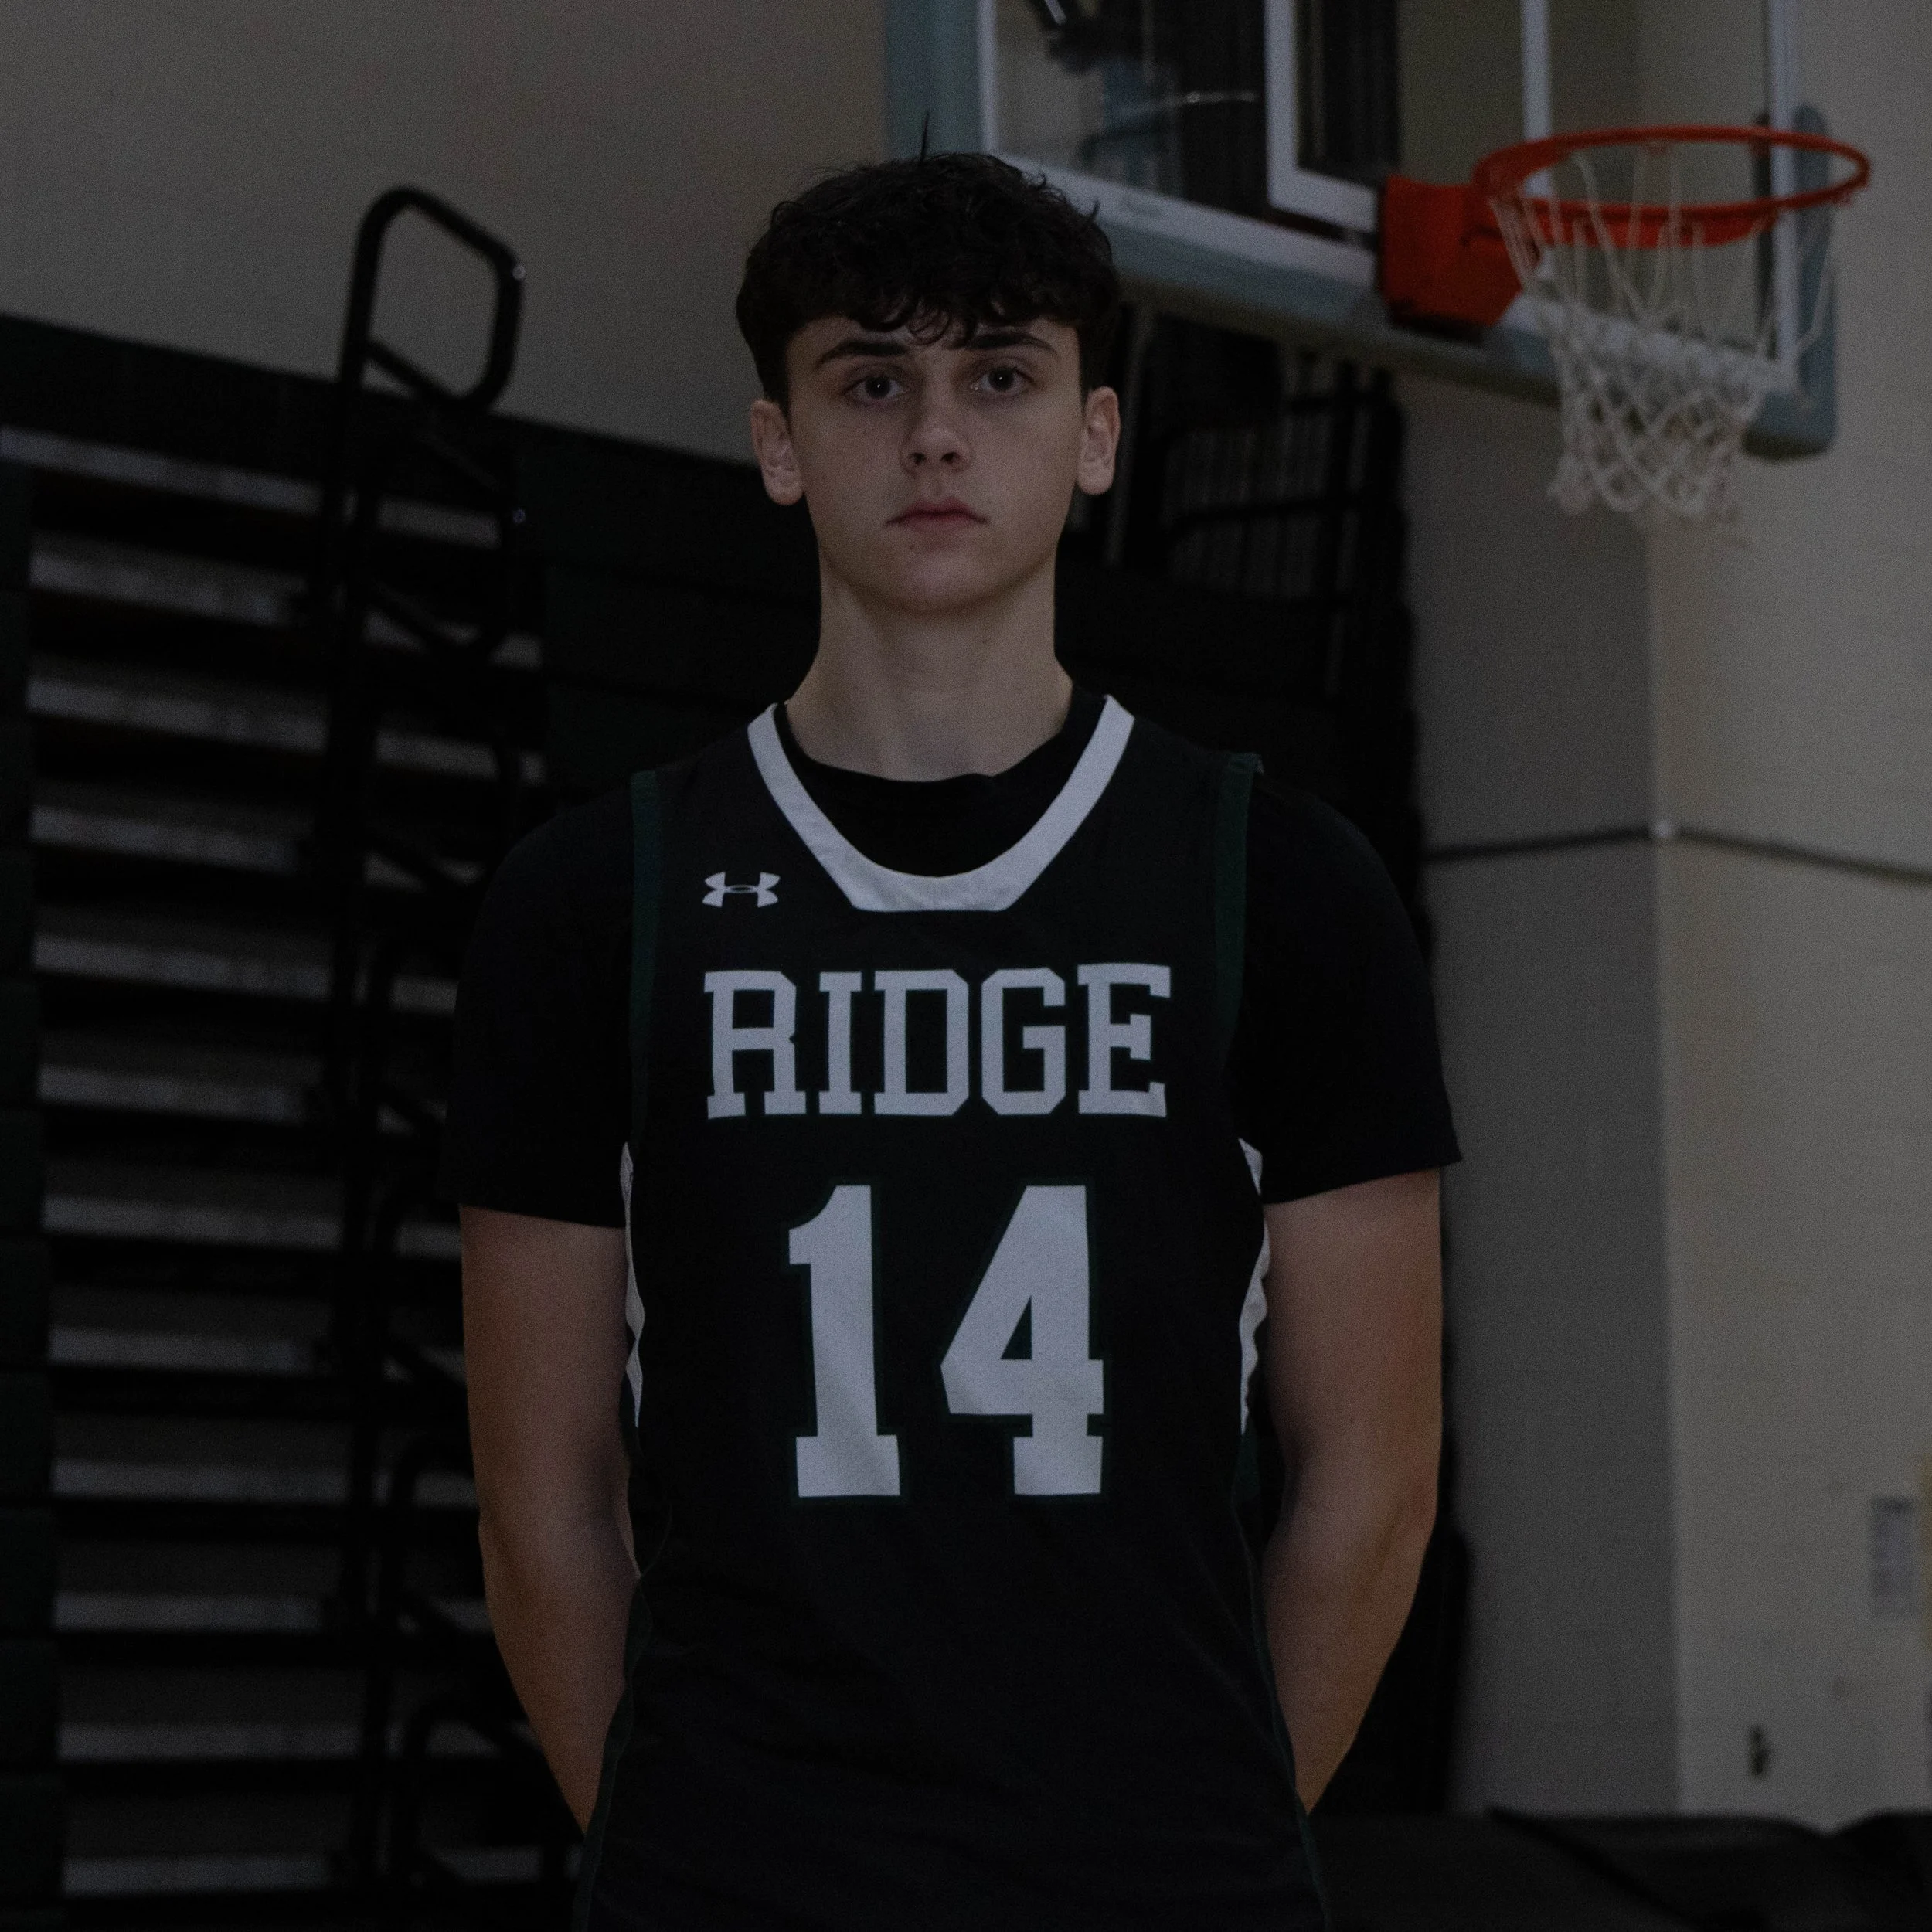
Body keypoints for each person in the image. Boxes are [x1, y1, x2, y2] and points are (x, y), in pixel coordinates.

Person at [444, 151, 1458, 1931]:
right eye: (869, 380)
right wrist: (686, 1858)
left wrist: (1197, 1843)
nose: (933, 435)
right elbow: (542, 1502)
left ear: (1093, 434)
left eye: (999, 375)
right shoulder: (594, 899)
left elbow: (1369, 1486)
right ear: (778, 445)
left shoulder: (1279, 885)